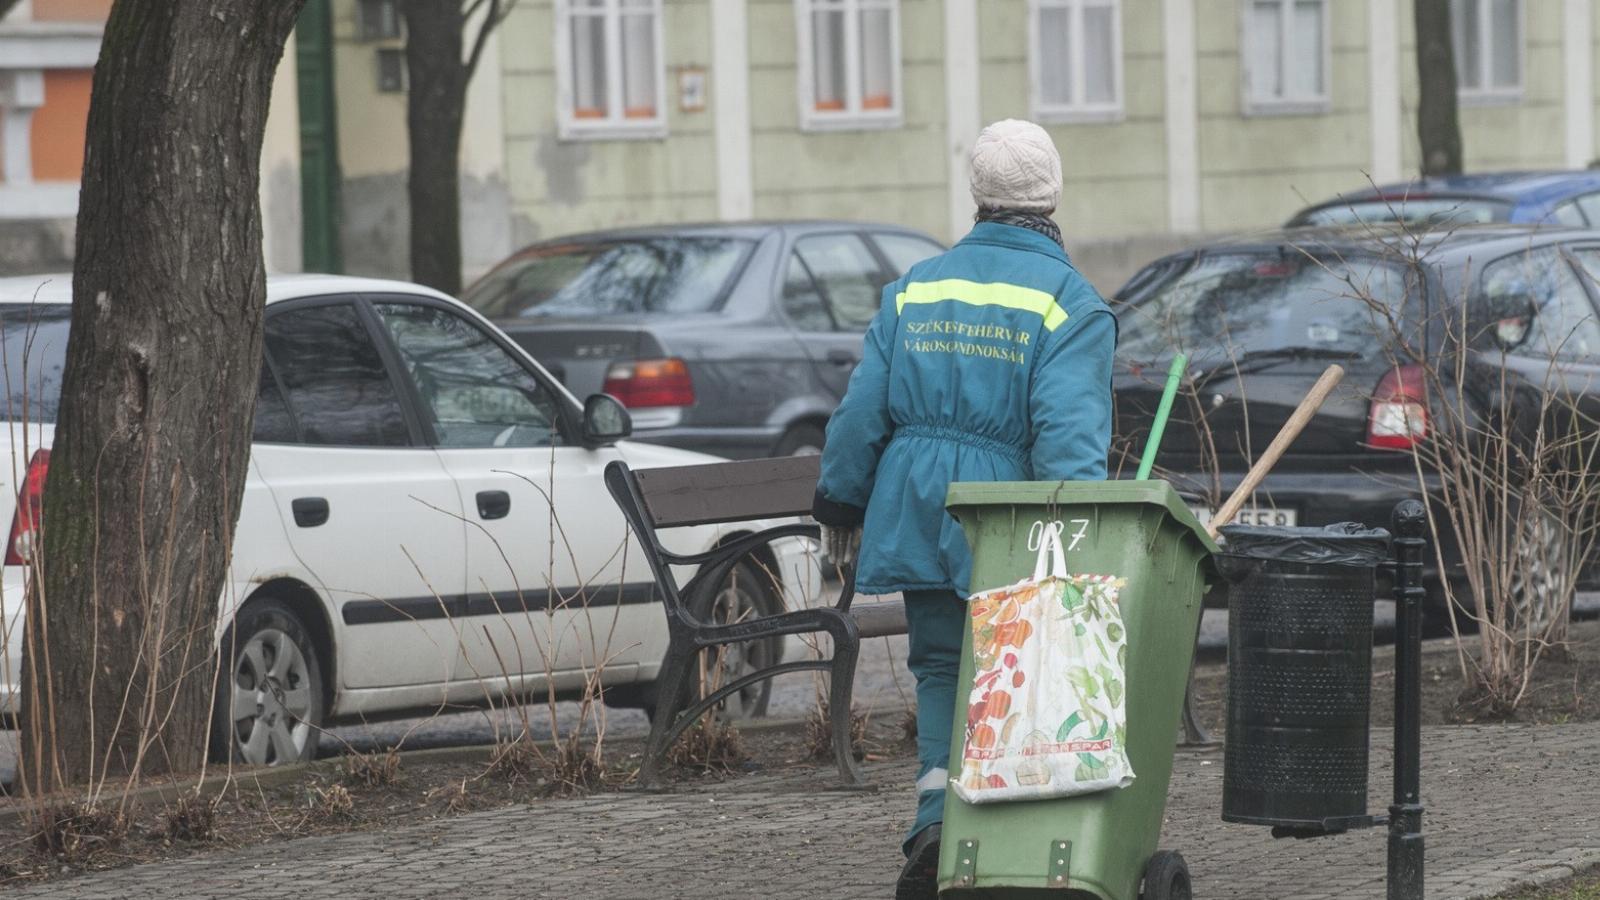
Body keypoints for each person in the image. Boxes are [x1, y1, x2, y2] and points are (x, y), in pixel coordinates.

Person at [811, 119, 1117, 900]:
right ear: (1052, 193)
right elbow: (1069, 441)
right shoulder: (1068, 303)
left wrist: (840, 500)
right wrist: (1073, 541)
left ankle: (933, 821)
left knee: (942, 666)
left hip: (920, 498)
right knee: (1019, 675)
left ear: (978, 195)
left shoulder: (918, 287)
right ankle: (1004, 834)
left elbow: (858, 415)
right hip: (1008, 515)